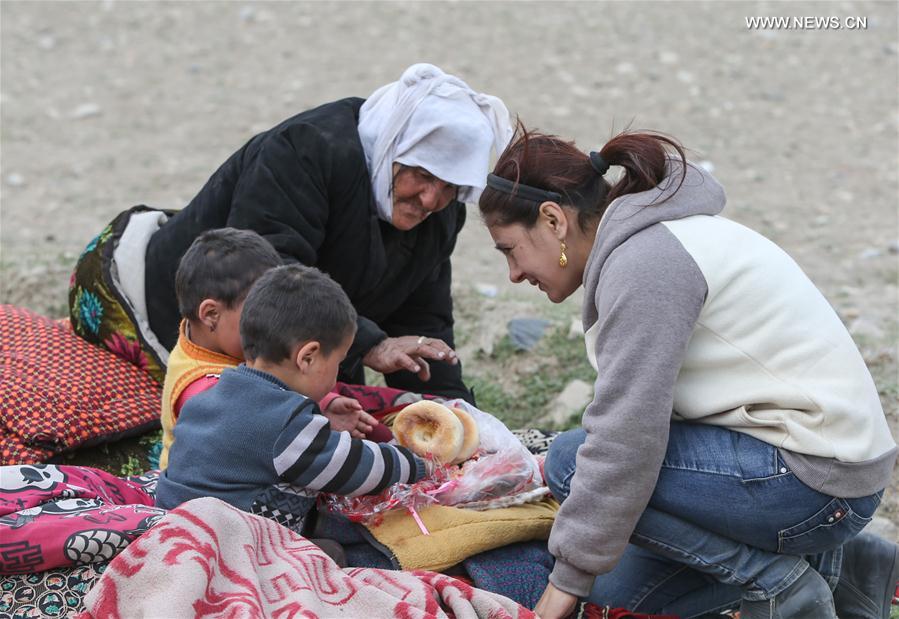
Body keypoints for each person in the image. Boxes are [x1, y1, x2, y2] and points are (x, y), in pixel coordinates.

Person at [477, 124, 897, 619]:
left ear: (553, 220)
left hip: (813, 480)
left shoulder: (646, 264)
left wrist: (564, 584)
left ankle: (775, 581)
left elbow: (626, 438)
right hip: (823, 469)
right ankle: (850, 567)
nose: (513, 274)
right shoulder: (656, 242)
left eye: (509, 249)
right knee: (620, 594)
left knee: (571, 462)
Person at [68, 63, 511, 403]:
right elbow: (266, 275)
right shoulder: (305, 150)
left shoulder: (441, 213)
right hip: (169, 310)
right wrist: (371, 343)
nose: (432, 198)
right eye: (421, 174)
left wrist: (452, 409)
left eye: (450, 185)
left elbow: (422, 318)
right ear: (392, 146)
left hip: (307, 335)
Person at [155, 264, 429, 542]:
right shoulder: (286, 425)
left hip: (173, 525)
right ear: (307, 357)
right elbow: (354, 466)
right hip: (221, 542)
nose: (337, 374)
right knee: (333, 551)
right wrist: (418, 465)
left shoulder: (216, 392)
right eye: (338, 362)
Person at [157, 227, 377, 470]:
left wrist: (324, 402)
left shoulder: (213, 340)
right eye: (255, 310)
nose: (271, 320)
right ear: (211, 314)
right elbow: (268, 427)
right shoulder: (208, 392)